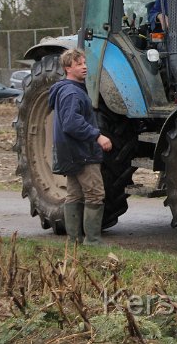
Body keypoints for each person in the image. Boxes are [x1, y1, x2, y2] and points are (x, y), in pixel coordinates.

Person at [48, 49, 113, 245]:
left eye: (84, 62)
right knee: (95, 193)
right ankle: (92, 241)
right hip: (82, 152)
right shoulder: (71, 92)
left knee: (74, 194)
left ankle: (74, 240)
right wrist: (97, 136)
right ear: (68, 68)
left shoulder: (68, 90)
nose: (84, 66)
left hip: (71, 152)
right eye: (78, 64)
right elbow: (71, 123)